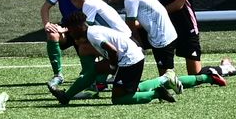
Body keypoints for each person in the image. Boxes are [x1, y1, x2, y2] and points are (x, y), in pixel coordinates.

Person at [51, 21, 182, 105]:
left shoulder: (93, 35)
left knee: (118, 99)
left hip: (130, 61)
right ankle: (66, 96)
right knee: (96, 69)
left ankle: (157, 93)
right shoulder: (92, 30)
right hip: (128, 56)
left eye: (70, 33)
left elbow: (113, 51)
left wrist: (113, 66)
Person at [41, 0, 90, 89]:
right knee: (52, 33)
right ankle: (58, 75)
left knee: (90, 69)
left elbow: (90, 15)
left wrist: (68, 27)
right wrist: (47, 24)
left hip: (87, 29)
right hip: (69, 29)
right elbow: (45, 8)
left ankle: (93, 73)